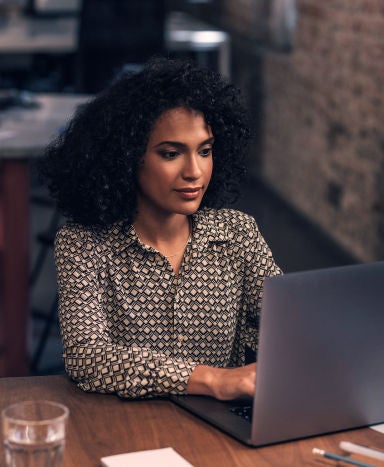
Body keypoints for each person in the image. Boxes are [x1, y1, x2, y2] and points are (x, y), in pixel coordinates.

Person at [38, 56, 282, 400]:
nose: (194, 171)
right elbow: (88, 358)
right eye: (171, 153)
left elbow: (285, 323)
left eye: (205, 150)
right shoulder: (84, 244)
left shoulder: (237, 234)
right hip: (129, 431)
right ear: (125, 157)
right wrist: (211, 380)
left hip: (220, 432)